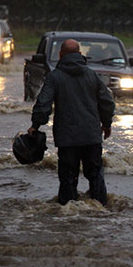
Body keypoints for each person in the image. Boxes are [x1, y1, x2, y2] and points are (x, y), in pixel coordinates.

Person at [28, 39, 115, 206]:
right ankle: (100, 209)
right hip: (91, 137)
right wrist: (106, 124)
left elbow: (43, 103)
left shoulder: (55, 77)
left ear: (61, 55)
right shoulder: (92, 75)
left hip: (67, 139)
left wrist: (35, 125)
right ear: (80, 55)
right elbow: (107, 102)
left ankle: (67, 213)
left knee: (67, 178)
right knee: (95, 175)